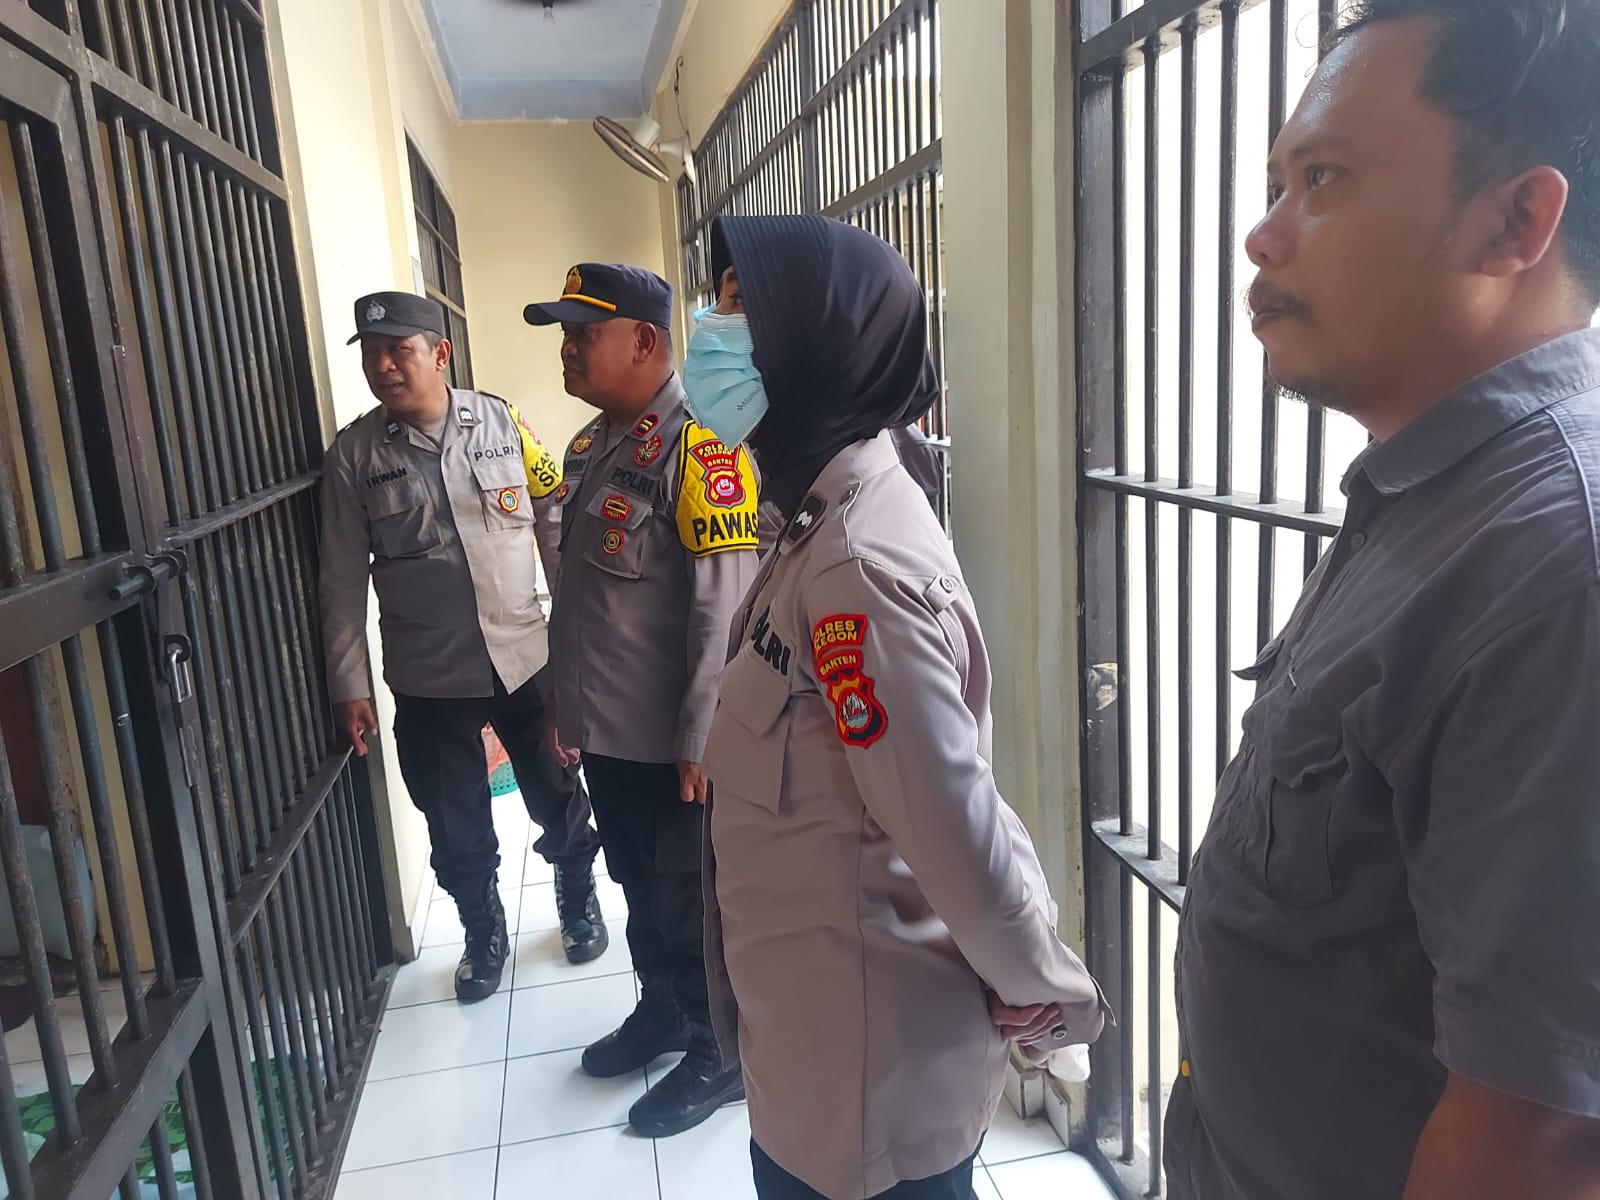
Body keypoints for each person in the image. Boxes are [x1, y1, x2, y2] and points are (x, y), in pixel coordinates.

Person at [1167, 3, 1600, 1197]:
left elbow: (1538, 1143)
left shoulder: (1557, 567)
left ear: (1515, 221)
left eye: (1321, 179)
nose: (1262, 234)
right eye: (1275, 182)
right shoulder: (1431, 491)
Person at [689, 215, 1108, 1200]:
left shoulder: (855, 565)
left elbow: (951, 820)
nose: (710, 331)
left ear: (818, 341)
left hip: (865, 1085)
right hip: (813, 1048)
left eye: (740, 308)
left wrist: (1052, 999)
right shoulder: (814, 513)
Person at [523, 263, 760, 1137]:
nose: (568, 349)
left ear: (645, 341)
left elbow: (722, 608)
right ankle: (661, 1011)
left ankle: (718, 1051)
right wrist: (565, 701)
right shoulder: (593, 447)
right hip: (612, 736)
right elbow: (586, 600)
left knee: (686, 901)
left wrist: (702, 733)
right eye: (565, 334)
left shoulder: (703, 450)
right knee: (636, 884)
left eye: (584, 333)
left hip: (672, 747)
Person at [319, 291, 606, 1005]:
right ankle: (482, 930)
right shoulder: (355, 456)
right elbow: (341, 576)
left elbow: (552, 524)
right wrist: (349, 684)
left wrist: (575, 641)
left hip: (524, 655)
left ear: (439, 353)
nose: (384, 366)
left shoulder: (504, 422)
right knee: (453, 820)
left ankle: (577, 895)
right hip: (430, 672)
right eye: (372, 354)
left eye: (399, 350)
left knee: (556, 787)